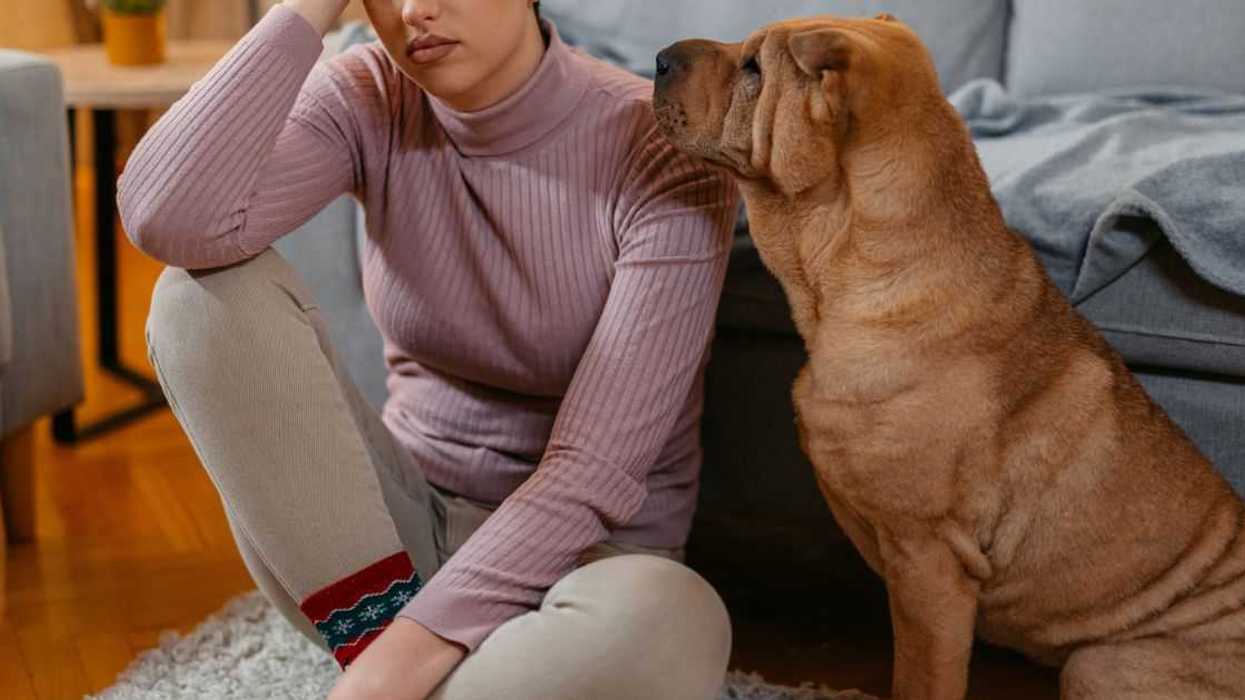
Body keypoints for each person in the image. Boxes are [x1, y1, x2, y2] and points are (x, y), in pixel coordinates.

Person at [120, 0, 740, 698]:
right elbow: (166, 218)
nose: (414, 10)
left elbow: (595, 469)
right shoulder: (371, 93)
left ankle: (396, 670)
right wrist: (305, 11)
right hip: (388, 552)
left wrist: (390, 669)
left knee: (671, 619)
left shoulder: (659, 145)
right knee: (198, 300)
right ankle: (394, 653)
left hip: (586, 566)